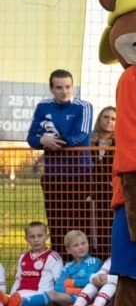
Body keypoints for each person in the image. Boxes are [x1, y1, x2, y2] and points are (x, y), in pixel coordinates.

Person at [25, 69, 94, 258]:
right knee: (56, 223)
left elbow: (81, 136)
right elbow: (31, 137)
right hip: (53, 176)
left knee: (82, 223)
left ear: (73, 86)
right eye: (59, 87)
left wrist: (53, 141)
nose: (64, 91)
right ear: (51, 89)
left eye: (68, 87)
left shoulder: (84, 106)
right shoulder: (43, 107)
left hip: (81, 176)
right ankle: (59, 267)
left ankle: (84, 267)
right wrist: (41, 141)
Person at [1, 222, 64, 306]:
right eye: (32, 237)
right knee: (5, 304)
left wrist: (57, 301)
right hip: (20, 294)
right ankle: (10, 305)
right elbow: (18, 279)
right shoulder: (23, 257)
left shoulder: (53, 257)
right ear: (26, 239)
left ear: (47, 236)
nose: (36, 240)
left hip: (39, 295)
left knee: (19, 304)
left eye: (40, 236)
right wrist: (13, 295)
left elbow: (59, 282)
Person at [88, 106, 117, 257]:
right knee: (93, 227)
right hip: (92, 191)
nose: (109, 121)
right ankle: (96, 258)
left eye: (113, 119)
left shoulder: (120, 143)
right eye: (106, 117)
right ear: (99, 119)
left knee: (110, 226)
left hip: (112, 192)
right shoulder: (89, 142)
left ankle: (110, 258)